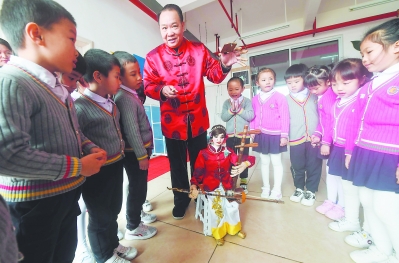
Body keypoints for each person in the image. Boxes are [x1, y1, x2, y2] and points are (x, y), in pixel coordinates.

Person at [0, 1, 107, 262]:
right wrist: (78, 166)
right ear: (36, 34)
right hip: (34, 205)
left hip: (64, 196)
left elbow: (73, 131)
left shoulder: (57, 89)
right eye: (71, 38)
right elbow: (8, 155)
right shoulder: (12, 80)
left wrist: (88, 146)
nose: (75, 49)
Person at [144, 3, 247, 220]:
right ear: (160, 29)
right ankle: (181, 200)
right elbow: (148, 86)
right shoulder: (153, 57)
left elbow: (215, 75)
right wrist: (162, 89)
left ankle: (203, 197)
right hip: (172, 123)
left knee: (202, 163)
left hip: (198, 121)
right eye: (164, 28)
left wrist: (225, 65)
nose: (169, 32)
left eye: (174, 26)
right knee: (177, 166)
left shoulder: (199, 50)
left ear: (183, 25)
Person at [74, 49, 137, 263]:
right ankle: (103, 256)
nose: (120, 81)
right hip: (97, 172)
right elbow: (78, 136)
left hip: (115, 164)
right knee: (99, 216)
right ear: (99, 77)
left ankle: (112, 245)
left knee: (113, 209)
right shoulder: (80, 107)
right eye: (117, 76)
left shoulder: (110, 102)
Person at [345, 19, 399, 263]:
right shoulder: (370, 83)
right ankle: (382, 249)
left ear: (396, 47)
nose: (364, 59)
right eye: (362, 53)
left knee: (387, 208)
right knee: (367, 202)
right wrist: (350, 151)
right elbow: (355, 122)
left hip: (390, 154)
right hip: (365, 150)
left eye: (369, 52)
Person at [325, 59, 374, 250]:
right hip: (339, 148)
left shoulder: (361, 100)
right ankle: (351, 219)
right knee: (347, 188)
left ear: (361, 80)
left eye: (346, 83)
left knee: (361, 192)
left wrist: (349, 152)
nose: (339, 88)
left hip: (353, 151)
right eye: (335, 84)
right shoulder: (338, 102)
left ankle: (363, 227)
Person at [113, 51, 157, 240]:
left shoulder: (131, 95)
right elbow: (132, 131)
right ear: (120, 77)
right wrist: (141, 155)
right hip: (134, 154)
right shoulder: (124, 98)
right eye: (133, 74)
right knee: (137, 188)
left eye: (139, 72)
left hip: (139, 152)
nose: (139, 78)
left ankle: (138, 215)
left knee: (140, 186)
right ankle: (133, 225)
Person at [189, 125, 255, 245]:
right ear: (211, 137)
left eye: (221, 137)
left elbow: (243, 159)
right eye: (216, 136)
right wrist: (194, 185)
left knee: (233, 205)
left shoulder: (228, 151)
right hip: (211, 187)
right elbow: (197, 172)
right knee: (217, 208)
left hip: (227, 185)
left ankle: (234, 229)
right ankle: (218, 233)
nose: (219, 139)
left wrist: (245, 163)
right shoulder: (203, 153)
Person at [304, 65, 344, 219]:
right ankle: (331, 200)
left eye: (316, 87)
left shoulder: (330, 97)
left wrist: (325, 142)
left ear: (328, 81)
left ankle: (341, 205)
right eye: (311, 89)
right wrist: (317, 134)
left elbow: (333, 122)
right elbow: (323, 122)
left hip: (335, 142)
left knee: (338, 175)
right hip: (328, 140)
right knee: (330, 173)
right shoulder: (322, 97)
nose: (313, 92)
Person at [285, 63, 322, 206]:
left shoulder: (315, 96)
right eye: (289, 83)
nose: (292, 85)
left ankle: (311, 190)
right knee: (297, 165)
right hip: (295, 138)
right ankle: (299, 188)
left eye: (296, 81)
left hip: (314, 137)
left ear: (305, 79)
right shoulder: (285, 100)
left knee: (314, 164)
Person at [250, 68, 289, 200]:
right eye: (264, 79)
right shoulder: (255, 99)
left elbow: (285, 116)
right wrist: (252, 132)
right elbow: (253, 117)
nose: (267, 82)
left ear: (274, 80)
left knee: (276, 162)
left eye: (270, 79)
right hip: (260, 134)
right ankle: (266, 187)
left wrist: (284, 135)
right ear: (257, 83)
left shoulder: (280, 97)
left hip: (276, 135)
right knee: (264, 162)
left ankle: (277, 189)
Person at [220, 76, 254, 193]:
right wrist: (231, 110)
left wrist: (239, 110)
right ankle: (231, 178)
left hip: (244, 136)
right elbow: (223, 117)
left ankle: (243, 180)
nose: (233, 92)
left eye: (236, 89)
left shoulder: (247, 102)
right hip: (230, 136)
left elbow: (250, 116)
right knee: (230, 158)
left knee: (243, 158)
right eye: (230, 89)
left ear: (243, 89)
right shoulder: (226, 103)